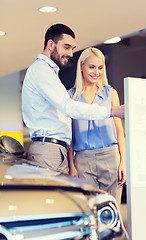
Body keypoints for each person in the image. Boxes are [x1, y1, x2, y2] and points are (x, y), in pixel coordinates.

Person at [22, 24, 124, 175]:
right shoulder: (41, 71)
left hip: (55, 150)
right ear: (51, 44)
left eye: (72, 48)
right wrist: (112, 111)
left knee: (60, 198)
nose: (70, 53)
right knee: (51, 198)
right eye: (67, 47)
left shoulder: (49, 73)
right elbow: (69, 108)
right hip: (48, 150)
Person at [68, 47, 126, 204]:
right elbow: (70, 136)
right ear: (81, 67)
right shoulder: (71, 97)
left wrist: (123, 162)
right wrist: (71, 165)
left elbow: (120, 132)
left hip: (110, 157)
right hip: (83, 161)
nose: (96, 72)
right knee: (89, 210)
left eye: (100, 67)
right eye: (91, 67)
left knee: (111, 209)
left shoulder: (110, 93)